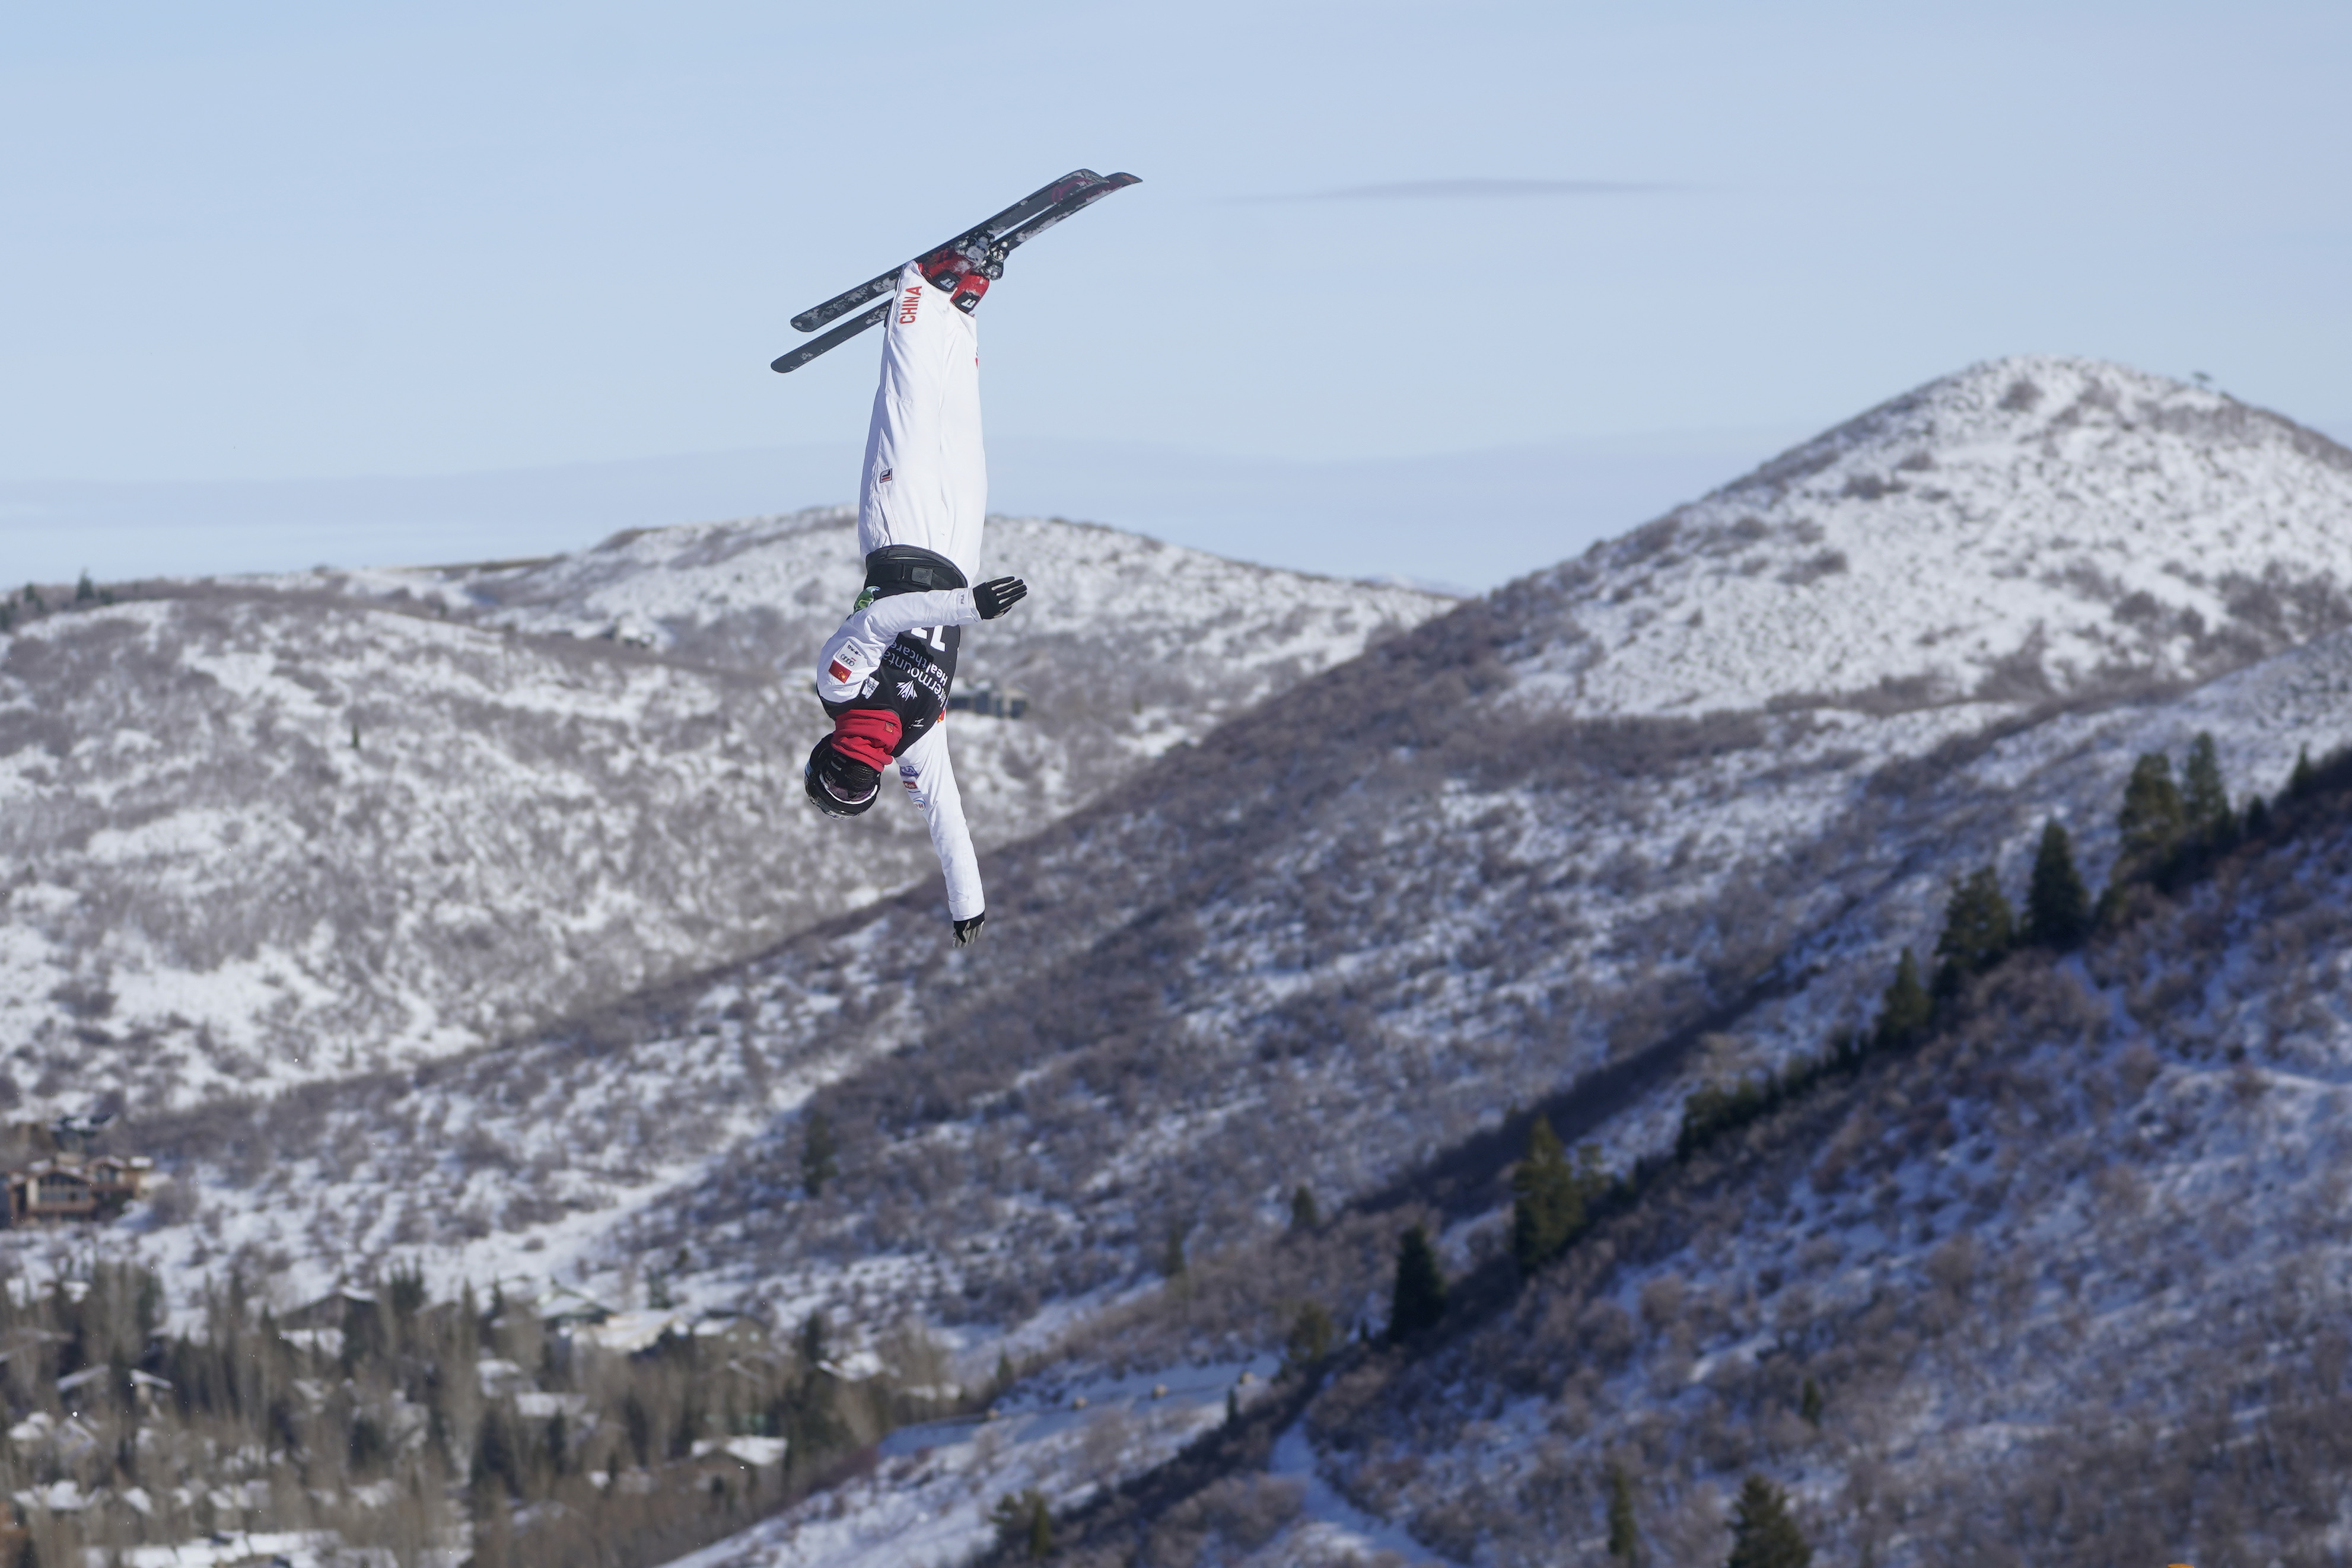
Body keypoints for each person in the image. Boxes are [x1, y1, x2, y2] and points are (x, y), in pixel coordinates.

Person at [802, 240, 1028, 948]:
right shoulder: (916, 742)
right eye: (852, 792)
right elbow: (946, 822)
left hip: (899, 532)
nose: (852, 781)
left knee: (909, 410)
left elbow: (888, 617)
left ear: (832, 758)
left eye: (841, 783)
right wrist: (967, 904)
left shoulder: (839, 686)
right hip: (957, 550)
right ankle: (957, 312)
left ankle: (916, 292)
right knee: (958, 424)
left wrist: (971, 610)